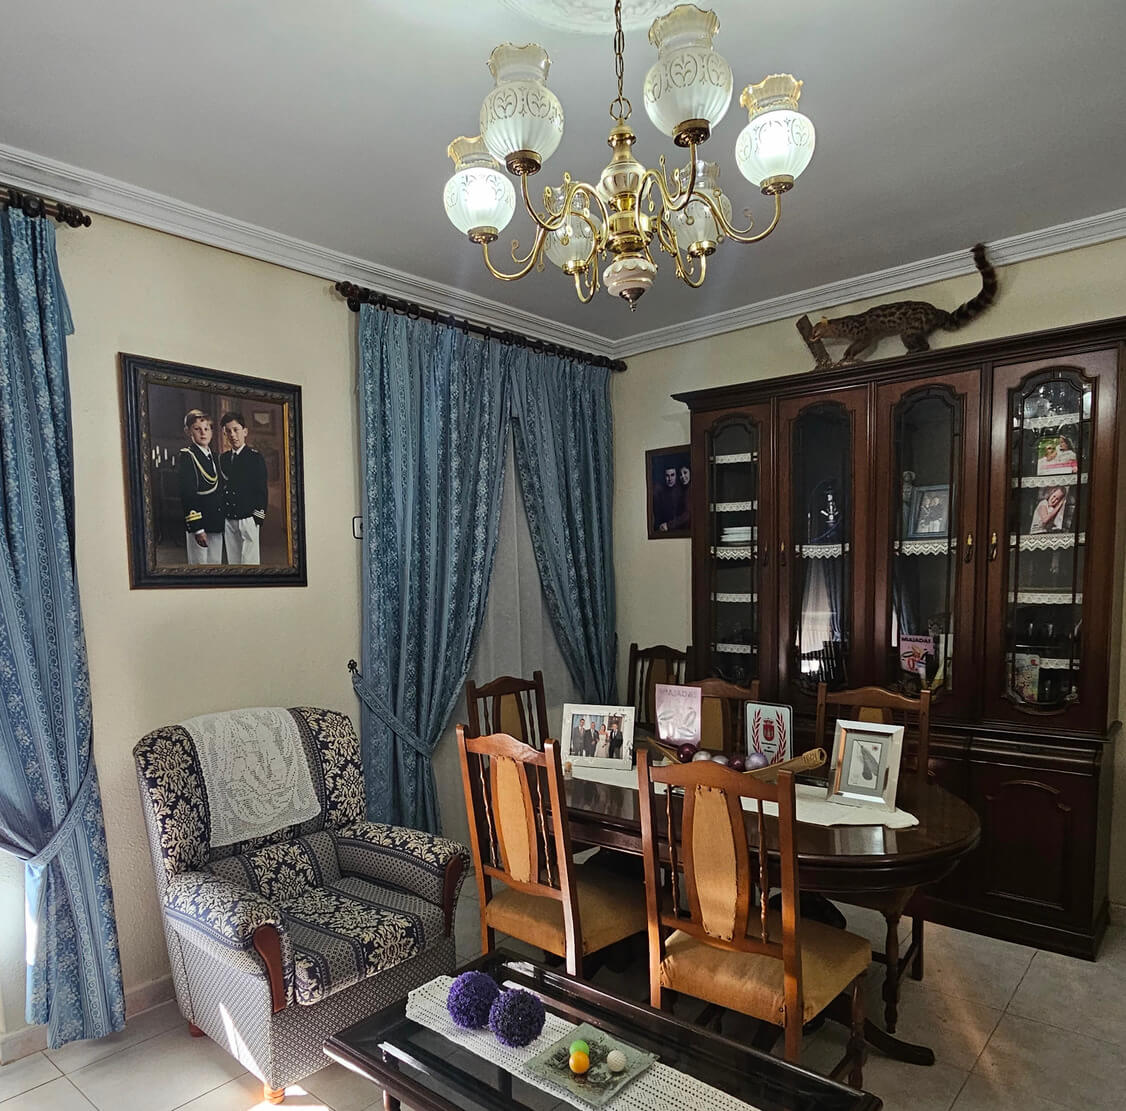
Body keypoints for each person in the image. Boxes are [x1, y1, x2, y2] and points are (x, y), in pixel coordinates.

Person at [219, 410, 269, 565]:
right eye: (228, 431)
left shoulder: (255, 457)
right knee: (234, 562)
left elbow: (261, 489)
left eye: (236, 430)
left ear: (245, 431)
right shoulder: (224, 458)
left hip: (248, 517)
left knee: (250, 562)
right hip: (230, 516)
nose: (232, 435)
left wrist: (257, 517)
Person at [178, 409, 224, 564]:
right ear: (188, 431)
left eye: (206, 429)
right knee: (200, 566)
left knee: (215, 564)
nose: (203, 433)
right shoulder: (187, 456)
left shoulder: (216, 457)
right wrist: (198, 528)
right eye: (197, 429)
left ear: (211, 432)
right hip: (200, 522)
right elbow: (188, 494)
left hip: (215, 521)